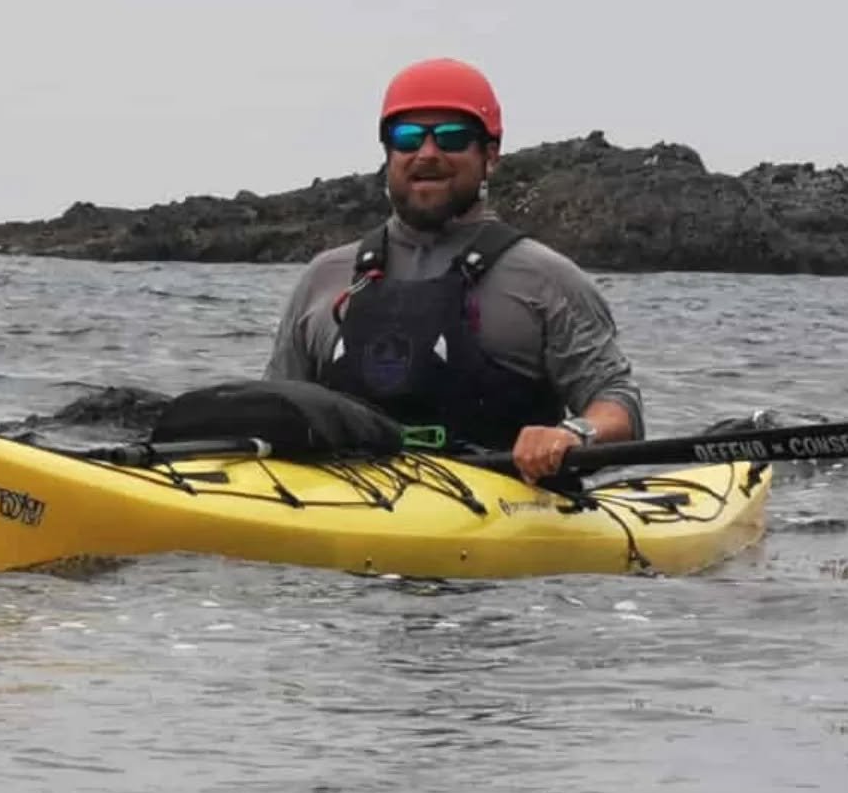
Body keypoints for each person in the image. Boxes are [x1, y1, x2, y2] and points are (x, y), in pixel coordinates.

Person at [265, 57, 643, 483]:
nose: (427, 153)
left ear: (491, 155)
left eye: (452, 137)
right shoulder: (325, 276)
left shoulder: (548, 280)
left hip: (503, 521)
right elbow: (274, 411)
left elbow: (618, 403)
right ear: (389, 153)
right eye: (408, 138)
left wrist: (575, 433)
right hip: (342, 513)